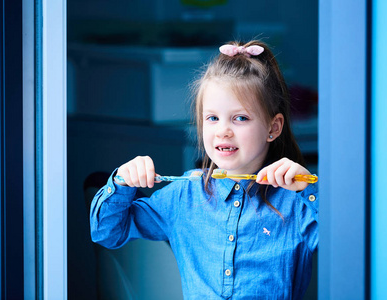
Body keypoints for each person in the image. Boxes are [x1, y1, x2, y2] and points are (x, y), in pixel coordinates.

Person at [90, 40, 319, 299]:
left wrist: (310, 190)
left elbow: (350, 251)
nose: (223, 130)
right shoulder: (182, 195)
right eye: (212, 118)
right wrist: (122, 181)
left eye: (240, 118)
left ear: (273, 128)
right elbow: (107, 233)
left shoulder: (295, 203)